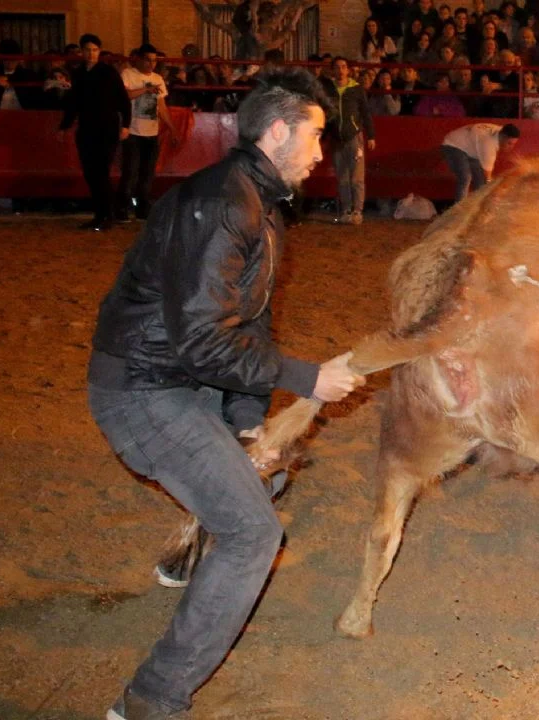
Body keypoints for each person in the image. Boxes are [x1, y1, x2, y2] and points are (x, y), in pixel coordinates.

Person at [87, 67, 363, 719]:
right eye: (315, 136)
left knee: (259, 478)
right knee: (252, 534)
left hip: (185, 381)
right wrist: (307, 380)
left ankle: (186, 560)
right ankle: (153, 699)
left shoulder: (258, 204)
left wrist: (248, 427)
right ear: (276, 132)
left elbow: (249, 321)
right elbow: (204, 343)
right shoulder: (223, 205)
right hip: (144, 388)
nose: (322, 154)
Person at [58, 33, 131, 231]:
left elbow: (123, 100)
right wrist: (65, 125)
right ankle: (100, 214)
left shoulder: (108, 73)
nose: (91, 54)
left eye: (95, 50)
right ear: (82, 52)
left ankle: (107, 214)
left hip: (106, 128)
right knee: (91, 173)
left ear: (99, 51)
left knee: (101, 172)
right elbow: (74, 102)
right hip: (87, 128)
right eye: (88, 50)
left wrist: (126, 125)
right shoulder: (79, 73)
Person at [117, 44, 178, 221]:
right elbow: (124, 95)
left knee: (147, 173)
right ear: (140, 59)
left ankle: (141, 207)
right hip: (133, 131)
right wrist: (146, 89)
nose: (151, 64)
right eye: (148, 60)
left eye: (154, 60)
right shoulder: (128, 74)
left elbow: (161, 107)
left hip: (152, 132)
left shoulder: (158, 78)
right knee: (130, 171)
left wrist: (172, 128)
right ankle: (122, 207)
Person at [324, 56, 376, 224]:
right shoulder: (328, 89)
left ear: (348, 70)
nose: (340, 70)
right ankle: (347, 209)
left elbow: (366, 113)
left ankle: (357, 210)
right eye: (337, 67)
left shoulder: (356, 89)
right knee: (343, 178)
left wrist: (371, 136)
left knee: (356, 177)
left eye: (343, 67)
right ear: (333, 70)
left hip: (354, 137)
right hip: (337, 138)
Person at [439, 122, 520, 202]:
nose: (511, 147)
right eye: (509, 143)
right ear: (503, 137)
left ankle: (475, 206)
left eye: (513, 144)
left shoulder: (501, 131)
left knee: (480, 181)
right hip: (453, 145)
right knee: (465, 177)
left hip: (471, 148)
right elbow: (488, 177)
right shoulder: (488, 145)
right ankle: (459, 210)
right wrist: (493, 192)